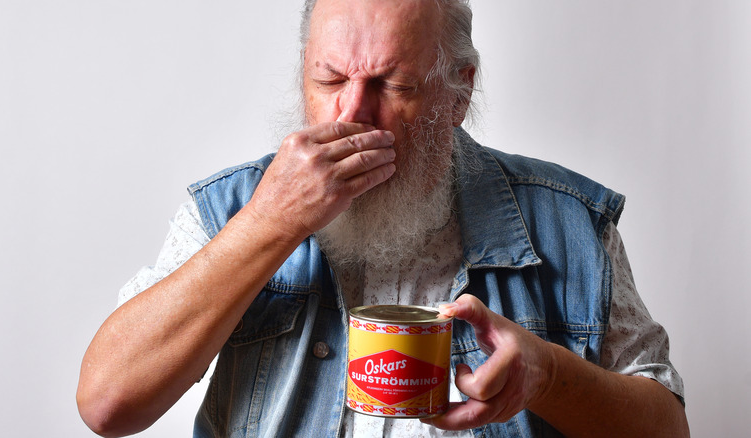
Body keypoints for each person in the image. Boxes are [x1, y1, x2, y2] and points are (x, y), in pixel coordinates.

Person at [77, 0, 689, 436]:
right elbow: (107, 405)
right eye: (331, 78)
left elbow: (667, 429)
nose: (352, 112)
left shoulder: (570, 223)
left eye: (393, 84)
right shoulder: (229, 209)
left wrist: (549, 375)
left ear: (459, 89)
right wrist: (268, 225)